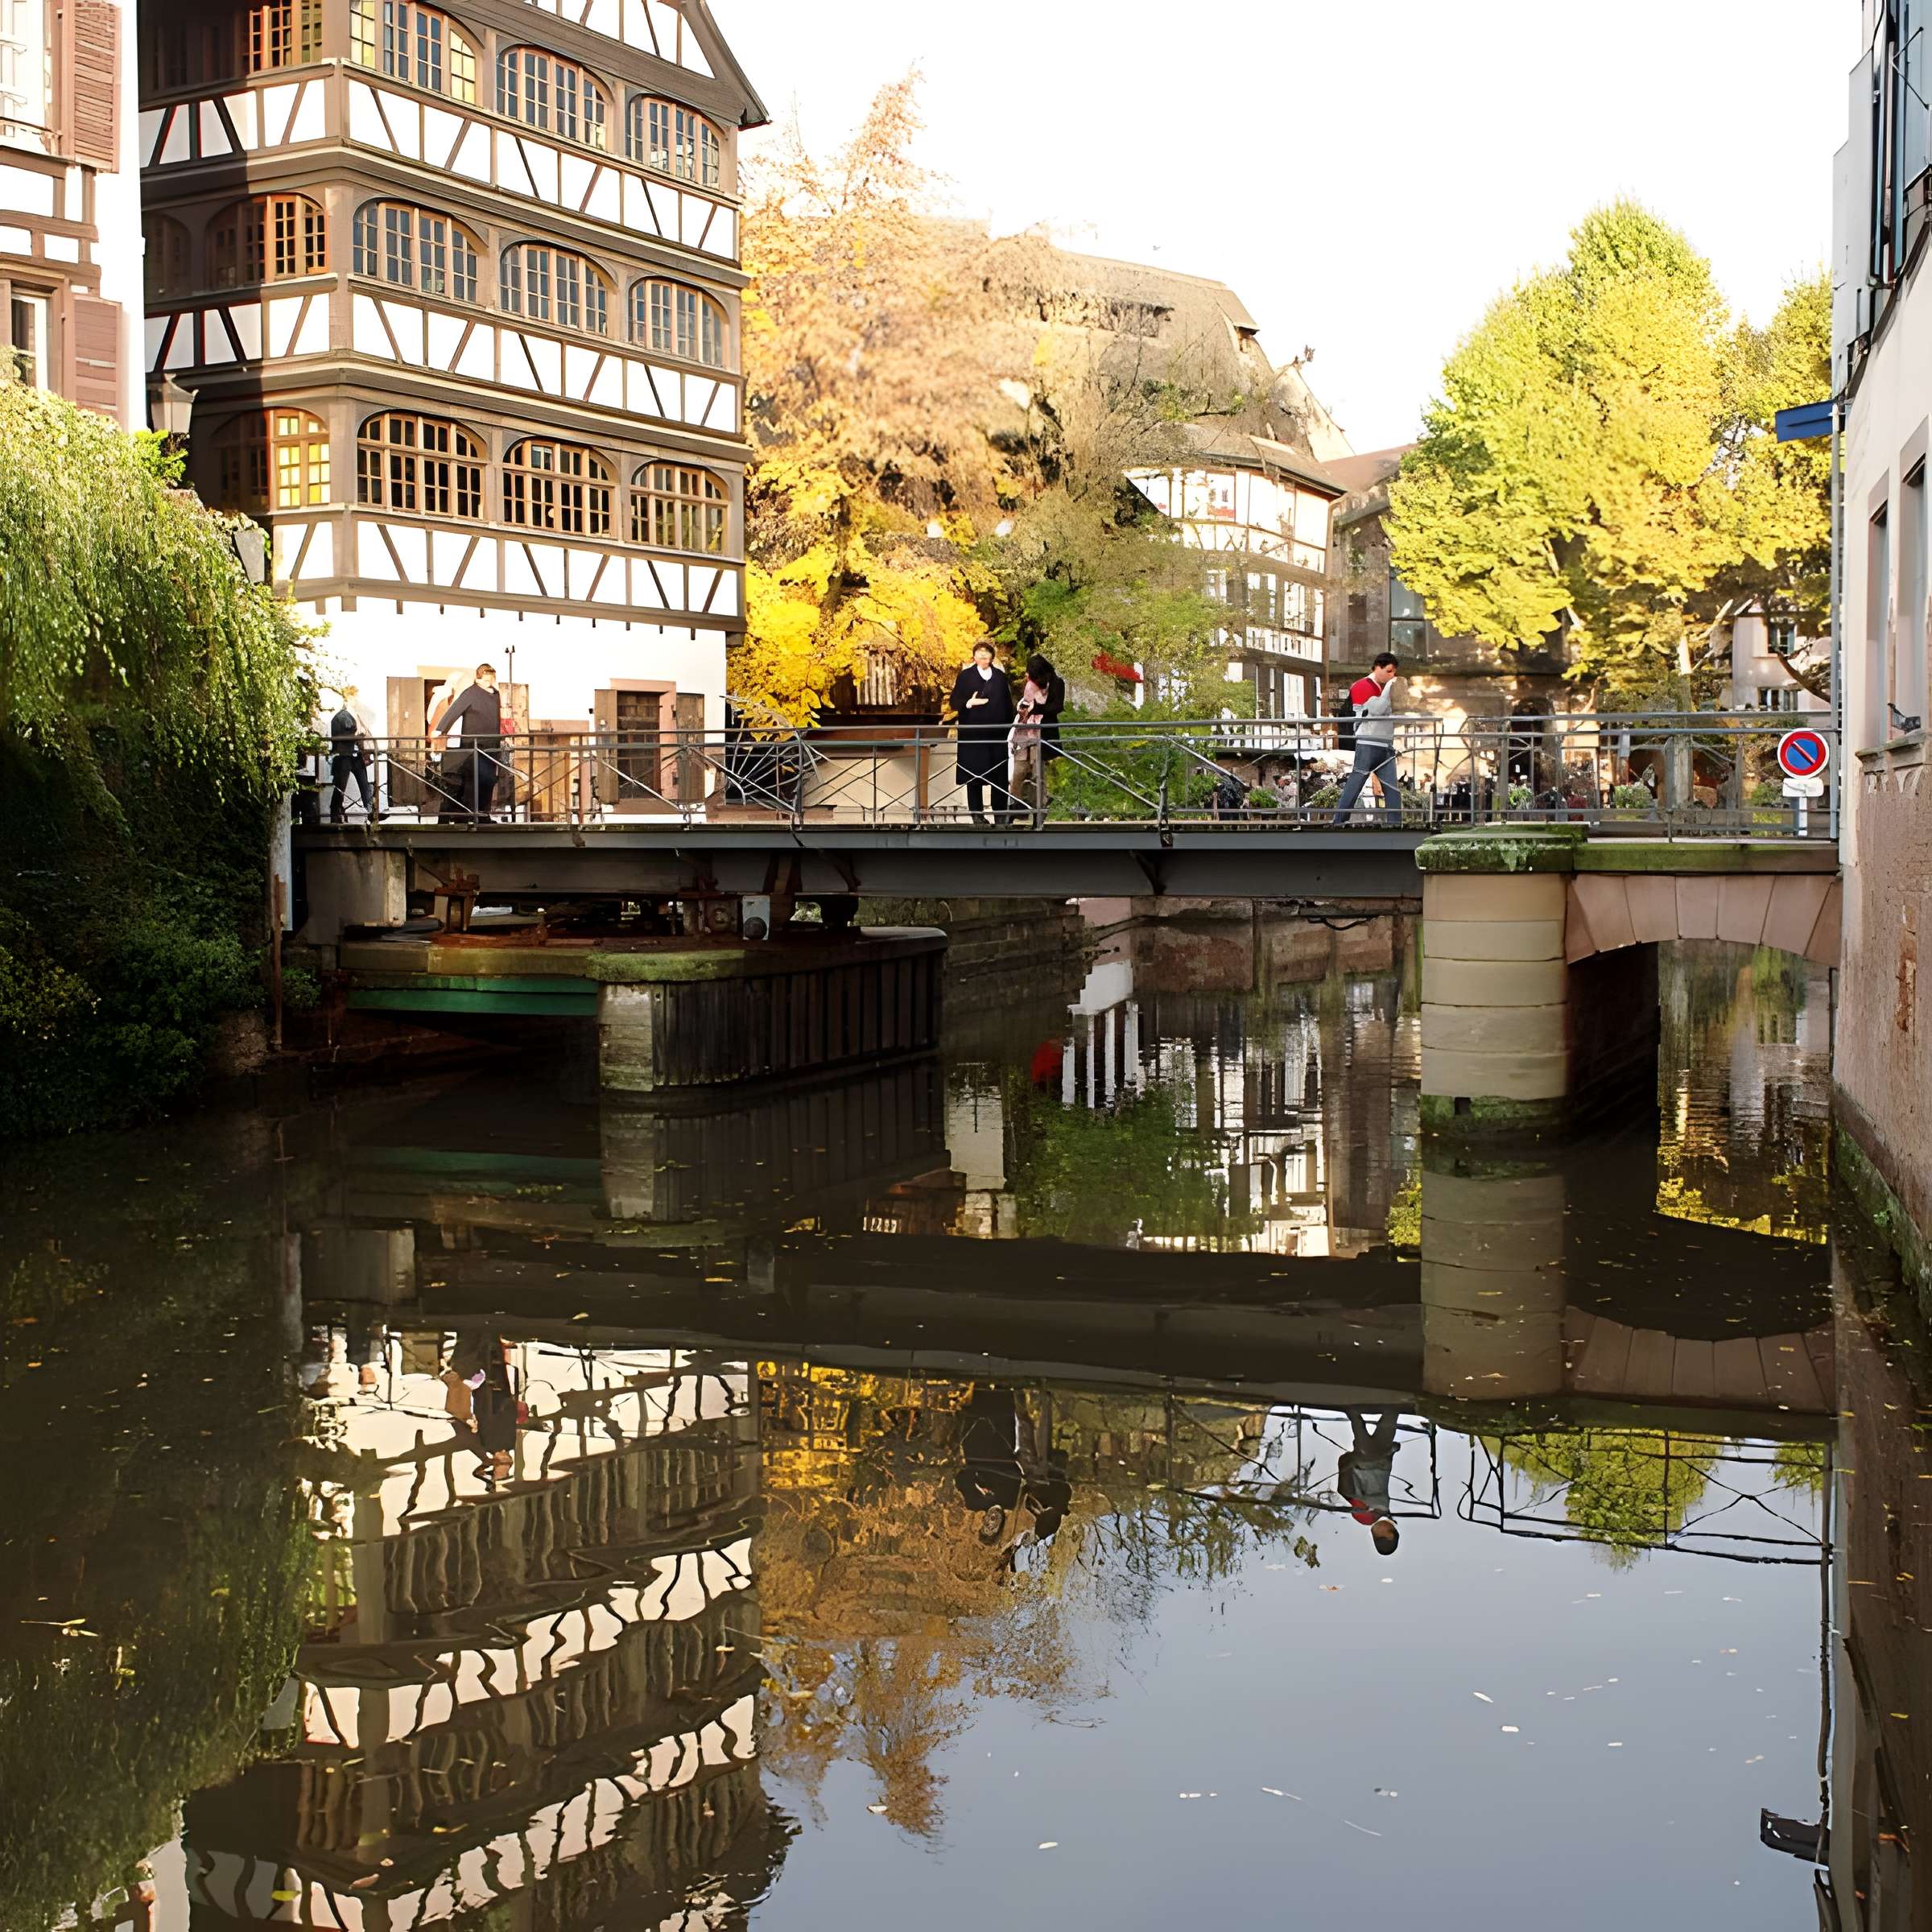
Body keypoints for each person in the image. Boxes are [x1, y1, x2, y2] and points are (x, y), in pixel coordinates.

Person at [1331, 652, 1403, 826]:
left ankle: (1396, 824)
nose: (1392, 675)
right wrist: (1390, 689)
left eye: (1393, 672)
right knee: (1356, 783)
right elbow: (1377, 709)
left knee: (1392, 789)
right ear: (1377, 667)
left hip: (1385, 743)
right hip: (1369, 742)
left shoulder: (1381, 687)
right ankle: (1339, 819)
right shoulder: (1362, 686)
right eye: (1389, 671)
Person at [949, 640, 1016, 824]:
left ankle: (1000, 814)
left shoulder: (1000, 678)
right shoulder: (965, 676)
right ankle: (977, 815)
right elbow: (955, 702)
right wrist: (969, 703)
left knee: (999, 776)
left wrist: (1008, 729)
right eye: (979, 653)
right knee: (974, 774)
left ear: (992, 656)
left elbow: (1007, 705)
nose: (983, 656)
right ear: (974, 656)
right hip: (973, 735)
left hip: (996, 736)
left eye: (986, 653)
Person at [434, 663, 504, 822]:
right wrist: (440, 729)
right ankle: (468, 816)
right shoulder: (471, 693)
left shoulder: (495, 694)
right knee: (474, 782)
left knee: (488, 781)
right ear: (479, 678)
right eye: (487, 678)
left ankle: (483, 815)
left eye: (491, 678)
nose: (490, 681)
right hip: (474, 745)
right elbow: (454, 710)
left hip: (491, 746)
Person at [1336, 1407, 1404, 1554]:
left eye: (1392, 1533)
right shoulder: (1374, 1515)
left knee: (1388, 1415)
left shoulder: (1367, 1518)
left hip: (1369, 1461)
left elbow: (1350, 1493)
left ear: (1389, 1535)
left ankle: (1352, 1407)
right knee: (1389, 1414)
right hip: (1373, 1459)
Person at [1009, 654, 1052, 822]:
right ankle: (1024, 808)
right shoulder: (1035, 686)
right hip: (1027, 736)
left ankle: (1031, 810)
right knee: (1025, 773)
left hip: (1034, 735)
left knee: (1033, 774)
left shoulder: (1042, 687)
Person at [328, 686, 374, 823]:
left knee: (364, 783)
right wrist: (359, 736)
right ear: (349, 699)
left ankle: (371, 810)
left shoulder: (353, 714)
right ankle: (335, 812)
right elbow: (345, 736)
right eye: (355, 698)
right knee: (341, 785)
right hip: (345, 755)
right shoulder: (343, 716)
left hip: (353, 754)